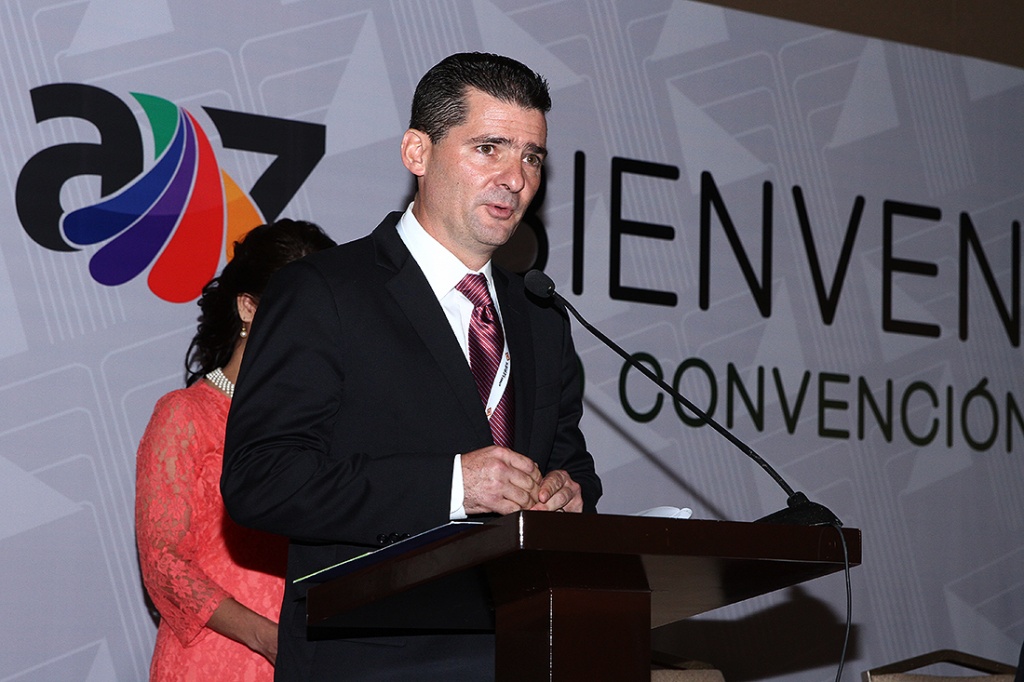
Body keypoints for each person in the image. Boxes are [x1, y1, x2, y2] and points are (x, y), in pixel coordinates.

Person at [221, 52, 602, 681]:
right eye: (489, 148)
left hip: (524, 653)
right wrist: (452, 486)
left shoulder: (541, 316)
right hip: (371, 661)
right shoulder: (323, 292)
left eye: (532, 157)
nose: (515, 178)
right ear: (416, 152)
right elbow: (261, 479)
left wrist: (568, 493)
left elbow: (571, 462)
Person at [135, 219, 336, 681]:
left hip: (315, 658)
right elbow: (162, 563)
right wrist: (265, 636)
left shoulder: (331, 424)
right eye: (296, 311)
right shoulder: (185, 415)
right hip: (215, 659)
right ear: (248, 307)